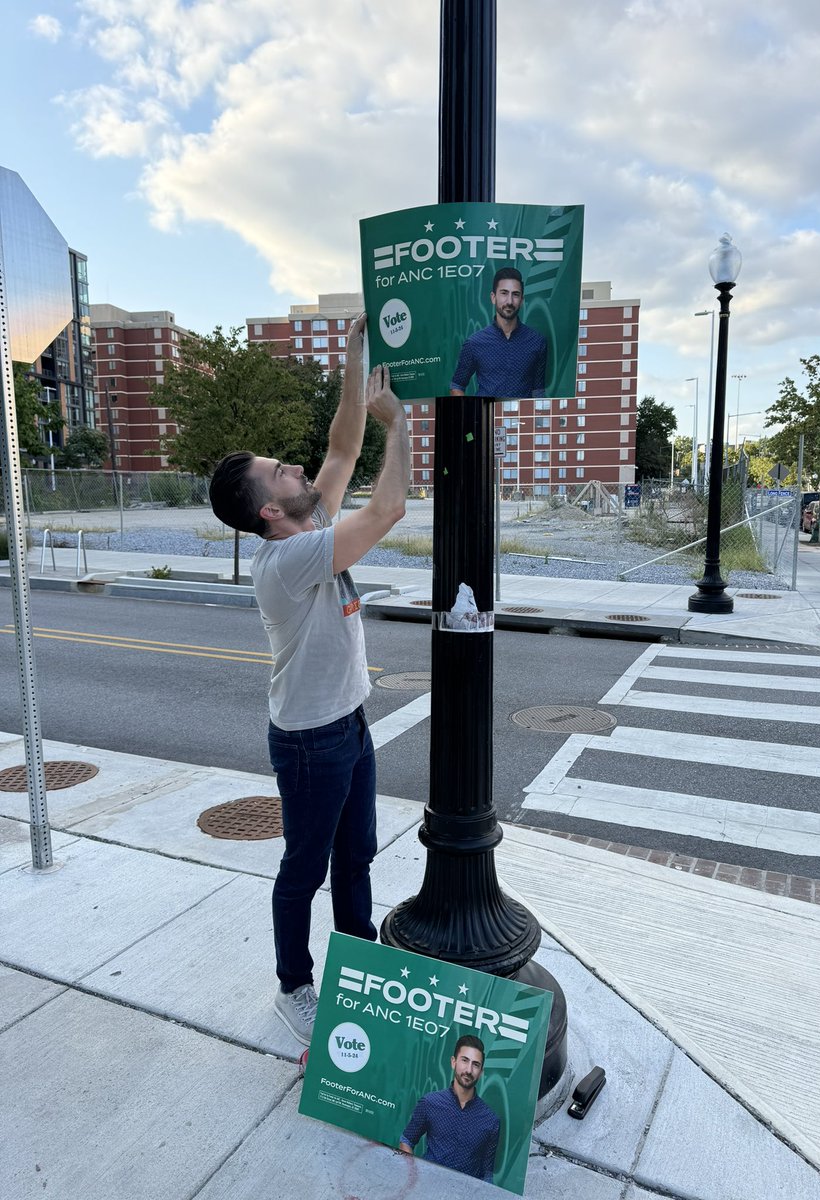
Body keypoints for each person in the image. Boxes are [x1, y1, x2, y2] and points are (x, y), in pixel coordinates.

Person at [208, 316, 410, 1045]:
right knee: (305, 868)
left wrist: (354, 356)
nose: (297, 469)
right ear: (269, 508)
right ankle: (294, 986)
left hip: (348, 725)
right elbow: (389, 507)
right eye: (280, 472)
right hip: (310, 741)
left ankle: (358, 968)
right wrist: (403, 424)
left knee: (355, 856)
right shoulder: (287, 560)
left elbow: (340, 445)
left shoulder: (307, 519)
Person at [399, 1035, 501, 1183]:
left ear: (481, 1071)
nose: (469, 1070)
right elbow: (406, 1141)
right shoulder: (429, 1103)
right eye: (464, 1060)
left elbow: (487, 1174)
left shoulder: (491, 1121)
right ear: (453, 1062)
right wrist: (413, 1179)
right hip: (426, 1186)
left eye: (476, 1064)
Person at [450, 266, 547, 399]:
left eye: (515, 294)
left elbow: (538, 391)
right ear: (493, 297)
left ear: (522, 300)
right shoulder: (474, 343)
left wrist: (536, 418)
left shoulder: (537, 341)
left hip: (520, 419)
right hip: (484, 417)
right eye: (504, 293)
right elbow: (457, 385)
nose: (509, 301)